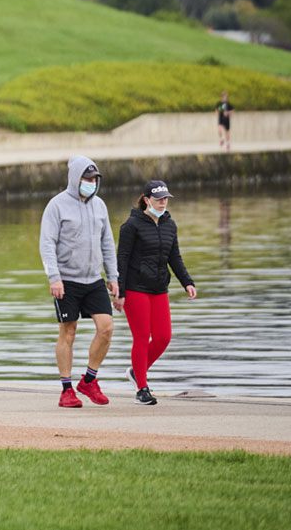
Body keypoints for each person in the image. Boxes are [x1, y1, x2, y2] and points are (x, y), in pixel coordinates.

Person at [39, 155, 119, 408]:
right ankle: (66, 390)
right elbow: (47, 243)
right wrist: (54, 277)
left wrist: (113, 277)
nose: (91, 183)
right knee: (68, 332)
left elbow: (107, 243)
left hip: (94, 279)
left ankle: (89, 380)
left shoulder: (100, 206)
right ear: (76, 179)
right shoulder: (57, 205)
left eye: (95, 179)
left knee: (106, 327)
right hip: (67, 280)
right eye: (87, 179)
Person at [117, 180, 197, 406]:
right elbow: (121, 259)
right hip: (135, 288)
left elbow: (175, 257)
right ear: (146, 200)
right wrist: (120, 291)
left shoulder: (170, 225)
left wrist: (187, 282)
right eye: (159, 198)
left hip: (159, 287)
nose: (163, 202)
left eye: (165, 199)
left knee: (163, 337)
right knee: (142, 337)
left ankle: (136, 372)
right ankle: (141, 388)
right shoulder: (131, 226)